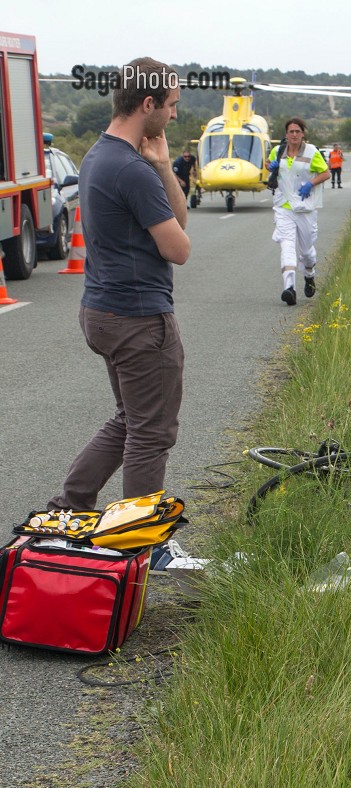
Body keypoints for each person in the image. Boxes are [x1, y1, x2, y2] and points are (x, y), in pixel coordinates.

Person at [47, 58, 191, 512]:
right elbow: (179, 248)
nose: (172, 115)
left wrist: (165, 167)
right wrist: (154, 172)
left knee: (131, 421)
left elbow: (177, 221)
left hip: (103, 312)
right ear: (147, 103)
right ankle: (139, 545)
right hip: (139, 320)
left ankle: (70, 507)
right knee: (152, 434)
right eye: (170, 105)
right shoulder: (129, 170)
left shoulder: (98, 155)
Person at [270, 118, 330, 306]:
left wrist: (310, 184)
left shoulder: (312, 152)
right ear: (286, 134)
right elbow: (269, 164)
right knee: (287, 244)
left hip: (305, 208)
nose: (294, 135)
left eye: (297, 131)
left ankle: (309, 274)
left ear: (303, 134)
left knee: (306, 253)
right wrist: (271, 166)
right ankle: (290, 288)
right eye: (291, 132)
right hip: (283, 205)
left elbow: (326, 173)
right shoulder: (278, 151)